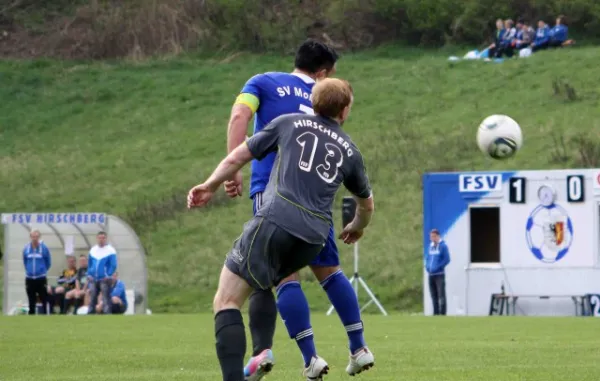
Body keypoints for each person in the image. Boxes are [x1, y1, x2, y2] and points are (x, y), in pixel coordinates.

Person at [188, 78, 374, 381]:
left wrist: (210, 185)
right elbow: (367, 205)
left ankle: (250, 369)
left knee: (226, 300)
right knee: (269, 280)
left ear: (313, 103)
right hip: (313, 238)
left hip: (277, 220)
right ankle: (308, 352)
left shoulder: (288, 122)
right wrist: (356, 227)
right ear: (345, 111)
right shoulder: (350, 151)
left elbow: (239, 155)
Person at [87, 231, 118, 315]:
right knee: (92, 295)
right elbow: (89, 263)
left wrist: (108, 275)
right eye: (100, 238)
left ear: (106, 239)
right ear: (97, 238)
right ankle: (90, 312)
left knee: (105, 297)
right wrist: (89, 274)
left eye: (103, 238)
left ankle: (107, 313)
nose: (101, 240)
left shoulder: (110, 250)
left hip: (104, 278)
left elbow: (113, 265)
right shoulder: (93, 250)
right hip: (93, 278)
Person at [23, 230, 52, 315]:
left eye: (36, 237)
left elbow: (48, 262)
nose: (35, 239)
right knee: (31, 299)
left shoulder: (44, 248)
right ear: (30, 237)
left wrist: (42, 270)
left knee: (43, 298)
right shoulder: (26, 248)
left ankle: (45, 315)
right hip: (29, 278)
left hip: (41, 278)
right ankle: (31, 316)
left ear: (39, 237)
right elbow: (25, 261)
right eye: (33, 236)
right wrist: (29, 271)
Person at [425, 229, 451, 316]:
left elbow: (447, 259)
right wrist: (427, 267)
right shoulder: (430, 246)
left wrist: (439, 267)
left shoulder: (443, 246)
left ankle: (442, 313)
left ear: (438, 236)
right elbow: (428, 258)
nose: (432, 238)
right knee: (433, 295)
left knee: (441, 295)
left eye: (434, 236)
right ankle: (435, 313)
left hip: (439, 275)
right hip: (431, 274)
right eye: (431, 236)